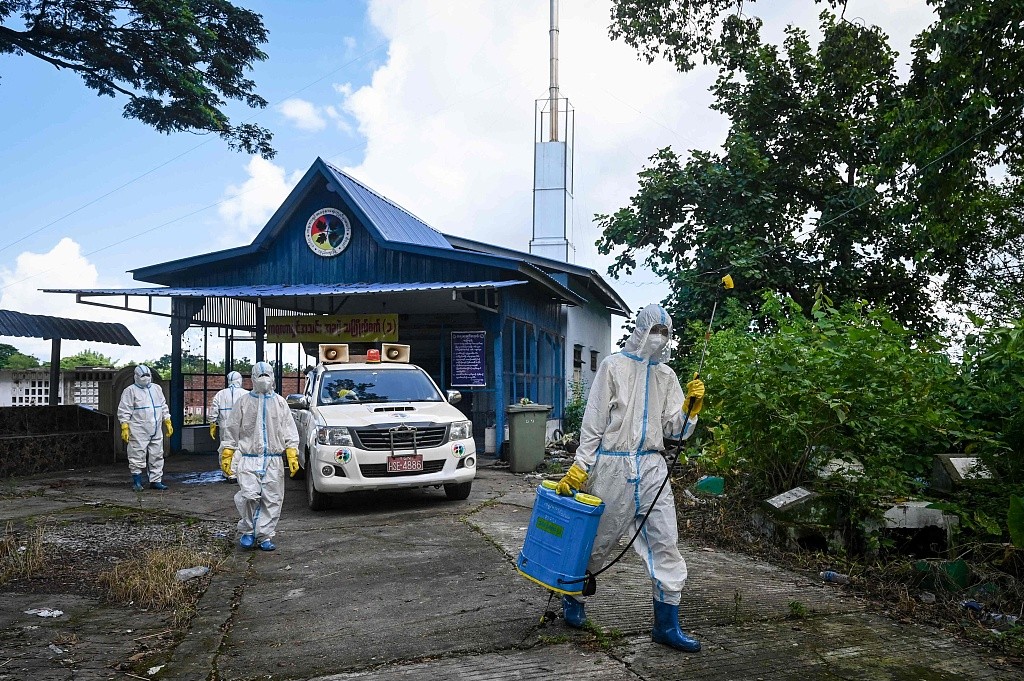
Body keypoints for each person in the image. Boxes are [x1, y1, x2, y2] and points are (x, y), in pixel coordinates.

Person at [555, 304, 707, 652]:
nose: (660, 339)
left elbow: (675, 431)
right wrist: (580, 467)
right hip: (612, 468)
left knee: (666, 542)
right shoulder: (613, 367)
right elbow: (593, 423)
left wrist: (689, 411)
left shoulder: (666, 377)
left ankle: (666, 626)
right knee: (598, 541)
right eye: (655, 330)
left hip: (652, 467)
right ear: (640, 330)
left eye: (666, 333)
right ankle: (573, 595)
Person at [219, 361, 300, 551]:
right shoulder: (243, 402)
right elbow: (231, 428)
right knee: (248, 495)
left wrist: (292, 452)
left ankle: (265, 535)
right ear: (253, 378)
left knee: (272, 498)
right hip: (248, 457)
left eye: (267, 376)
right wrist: (228, 451)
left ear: (273, 377)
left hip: (273, 459)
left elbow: (289, 428)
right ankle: (248, 531)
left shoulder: (280, 402)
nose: (264, 380)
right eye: (260, 376)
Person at [117, 364, 173, 492]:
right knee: (137, 454)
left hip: (156, 428)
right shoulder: (130, 391)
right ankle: (137, 481)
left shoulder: (156, 388)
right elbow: (124, 410)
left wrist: (167, 420)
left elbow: (163, 405)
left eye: (148, 375)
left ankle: (156, 481)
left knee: (157, 455)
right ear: (136, 376)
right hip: (138, 429)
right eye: (143, 376)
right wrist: (125, 425)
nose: (146, 378)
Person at [209, 371, 245, 482]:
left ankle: (226, 472)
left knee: (224, 448)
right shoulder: (245, 394)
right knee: (240, 449)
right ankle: (235, 473)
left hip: (225, 426)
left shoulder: (220, 394)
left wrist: (212, 423)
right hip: (241, 426)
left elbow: (214, 410)